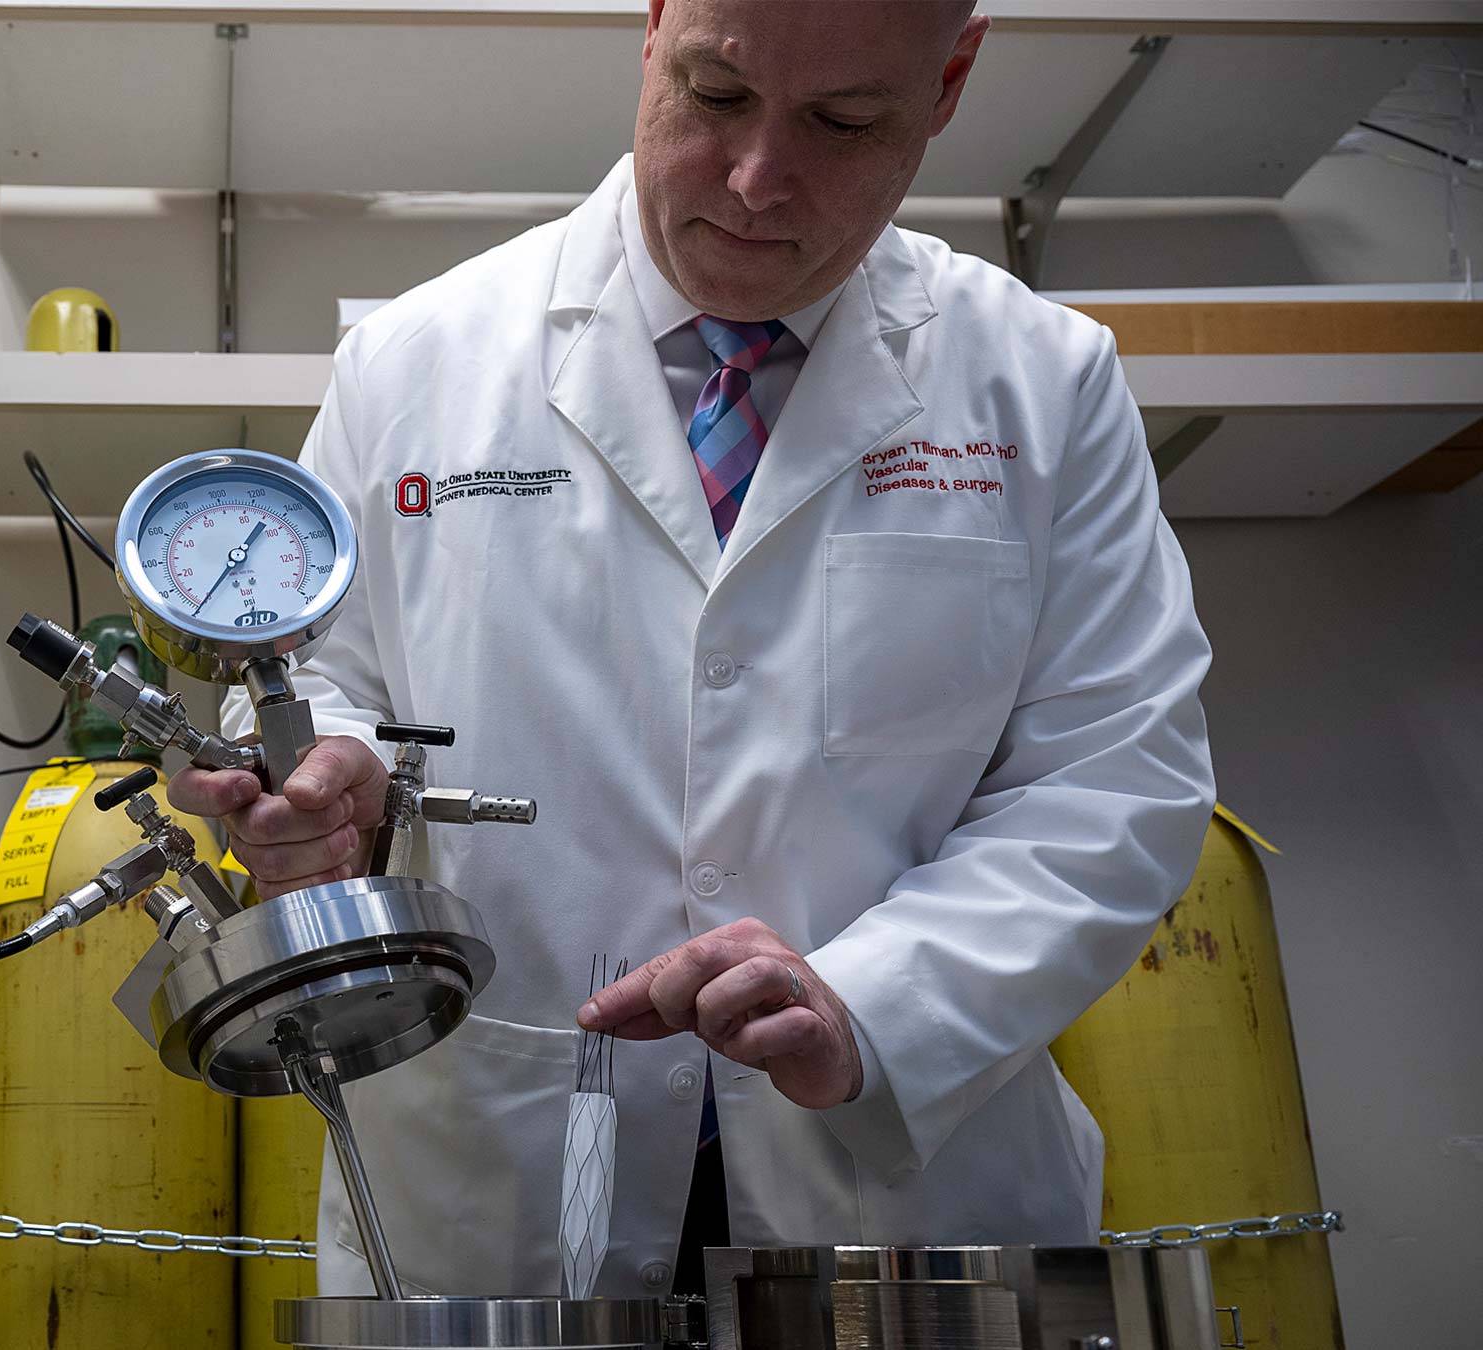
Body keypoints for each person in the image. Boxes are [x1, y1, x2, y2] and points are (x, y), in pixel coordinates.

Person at [166, 0, 1217, 1301]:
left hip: (905, 1172)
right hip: (502, 1179)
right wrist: (332, 793)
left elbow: (1115, 779)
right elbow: (332, 685)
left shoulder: (1043, 384)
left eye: (844, 121)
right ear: (654, 30)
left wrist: (873, 1004)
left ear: (948, 83)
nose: (759, 176)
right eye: (716, 94)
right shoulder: (411, 365)